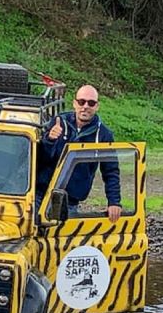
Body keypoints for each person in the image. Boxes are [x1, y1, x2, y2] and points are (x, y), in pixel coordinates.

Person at [35, 85, 121, 223]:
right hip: (40, 194)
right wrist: (49, 140)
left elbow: (111, 171)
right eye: (81, 102)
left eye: (91, 103)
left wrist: (114, 202)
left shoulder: (104, 135)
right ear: (74, 103)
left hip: (69, 201)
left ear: (97, 106)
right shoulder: (58, 123)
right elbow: (39, 158)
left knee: (62, 242)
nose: (85, 106)